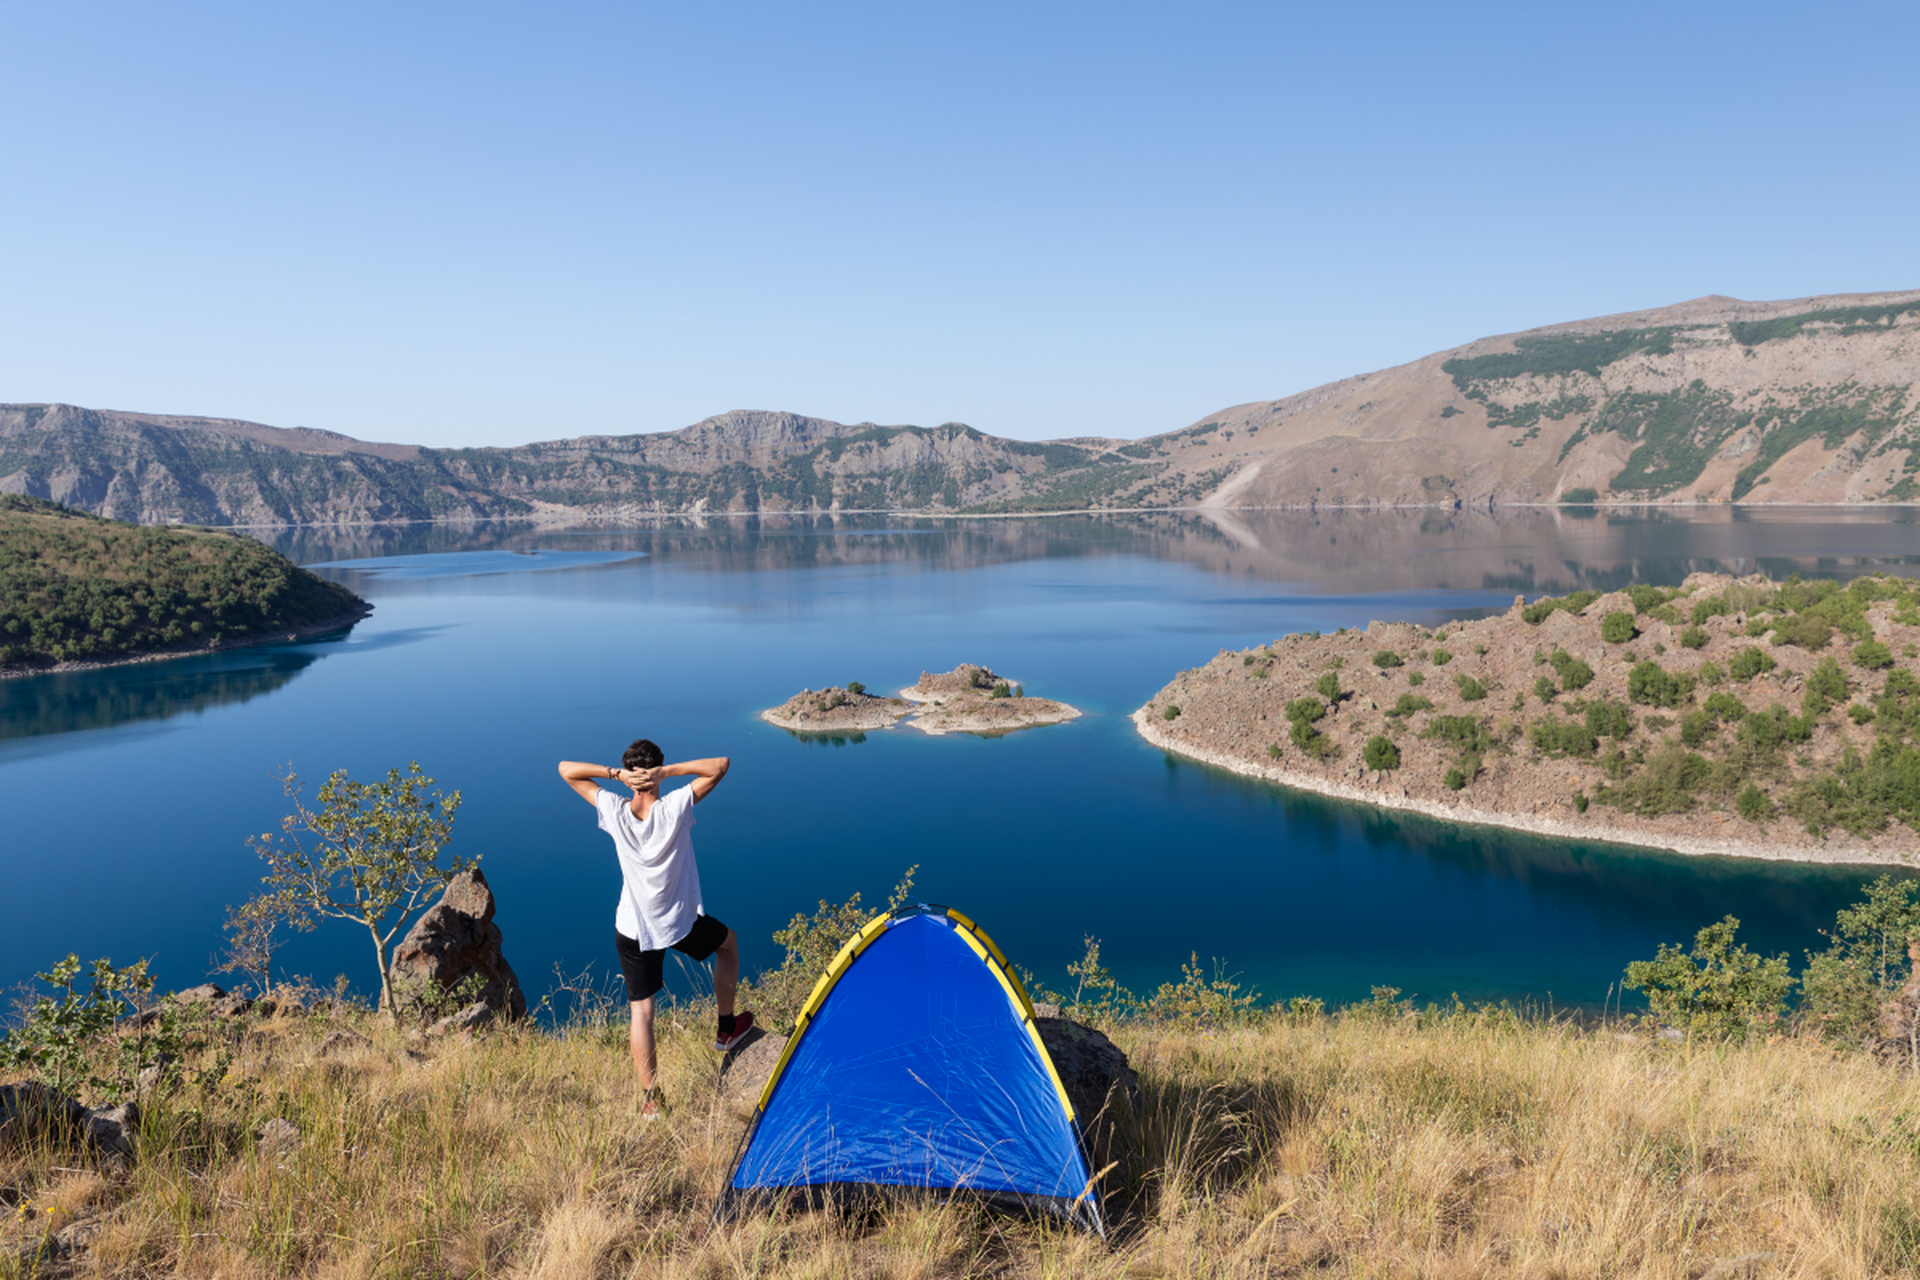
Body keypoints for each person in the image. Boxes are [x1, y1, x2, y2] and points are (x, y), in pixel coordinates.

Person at [559, 740, 752, 1120]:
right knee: (728, 945)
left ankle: (651, 1100)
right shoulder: (675, 807)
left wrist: (616, 776)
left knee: (641, 1013)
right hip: (678, 922)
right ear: (658, 770)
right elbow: (720, 765)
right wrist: (667, 774)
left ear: (630, 774)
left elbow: (567, 768)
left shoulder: (614, 810)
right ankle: (726, 1028)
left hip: (632, 927)